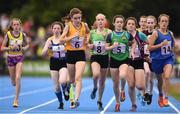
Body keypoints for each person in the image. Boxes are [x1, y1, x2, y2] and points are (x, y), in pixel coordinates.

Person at [60, 8, 90, 108]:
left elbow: (88, 33)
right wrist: (72, 36)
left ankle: (76, 99)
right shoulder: (68, 26)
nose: (78, 20)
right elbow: (61, 40)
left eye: (79, 18)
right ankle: (67, 88)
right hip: (70, 54)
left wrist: (87, 41)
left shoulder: (84, 25)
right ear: (71, 19)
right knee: (71, 80)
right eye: (75, 18)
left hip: (80, 53)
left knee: (78, 78)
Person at [106, 15, 133, 112]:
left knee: (122, 76)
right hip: (113, 60)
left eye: (121, 22)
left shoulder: (127, 34)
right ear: (114, 23)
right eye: (117, 22)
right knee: (115, 83)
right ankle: (117, 102)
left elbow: (133, 43)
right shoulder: (110, 35)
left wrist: (131, 51)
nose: (119, 23)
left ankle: (122, 90)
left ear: (123, 24)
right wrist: (112, 46)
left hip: (124, 59)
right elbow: (106, 48)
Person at [1, 18, 29, 107]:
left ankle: (16, 100)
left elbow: (27, 45)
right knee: (13, 82)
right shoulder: (8, 35)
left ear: (20, 26)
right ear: (12, 26)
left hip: (19, 57)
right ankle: (13, 83)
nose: (16, 26)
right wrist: (10, 48)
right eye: (14, 25)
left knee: (18, 78)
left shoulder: (23, 35)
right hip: (10, 58)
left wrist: (24, 48)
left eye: (18, 24)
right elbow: (2, 48)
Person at [149, 14, 176, 107]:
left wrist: (172, 49)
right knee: (160, 81)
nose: (164, 23)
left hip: (168, 59)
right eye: (162, 21)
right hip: (157, 60)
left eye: (166, 21)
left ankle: (166, 98)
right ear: (159, 23)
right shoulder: (155, 33)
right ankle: (160, 94)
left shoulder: (170, 34)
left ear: (168, 23)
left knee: (167, 76)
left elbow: (173, 45)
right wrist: (160, 45)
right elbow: (149, 48)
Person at [42, 21, 70, 109]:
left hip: (63, 62)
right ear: (52, 30)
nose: (56, 30)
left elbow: (71, 50)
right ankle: (61, 103)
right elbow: (43, 53)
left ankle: (65, 89)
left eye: (58, 28)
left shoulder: (65, 38)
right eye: (54, 28)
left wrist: (65, 47)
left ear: (61, 30)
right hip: (53, 63)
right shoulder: (49, 40)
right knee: (57, 87)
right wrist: (48, 48)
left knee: (62, 81)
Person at [88, 13, 111, 110]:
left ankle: (99, 100)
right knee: (95, 75)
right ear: (96, 21)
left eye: (102, 19)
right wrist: (90, 46)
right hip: (95, 57)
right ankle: (94, 88)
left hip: (105, 57)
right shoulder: (92, 32)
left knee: (102, 81)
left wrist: (108, 42)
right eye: (99, 20)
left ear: (105, 21)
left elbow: (112, 44)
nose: (101, 21)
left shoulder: (109, 32)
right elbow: (87, 43)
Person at [125, 17, 148, 111]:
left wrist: (146, 52)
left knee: (139, 85)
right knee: (130, 85)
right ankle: (133, 104)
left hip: (138, 60)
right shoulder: (123, 35)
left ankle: (144, 92)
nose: (131, 25)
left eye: (132, 24)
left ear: (135, 26)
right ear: (126, 26)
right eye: (129, 24)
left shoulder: (140, 35)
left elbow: (148, 44)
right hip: (127, 61)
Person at [143, 15, 157, 105]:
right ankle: (146, 92)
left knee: (151, 79)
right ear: (146, 23)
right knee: (147, 72)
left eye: (152, 23)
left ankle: (150, 94)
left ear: (155, 23)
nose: (150, 24)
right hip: (145, 57)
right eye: (148, 22)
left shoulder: (157, 34)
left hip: (154, 58)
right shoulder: (142, 33)